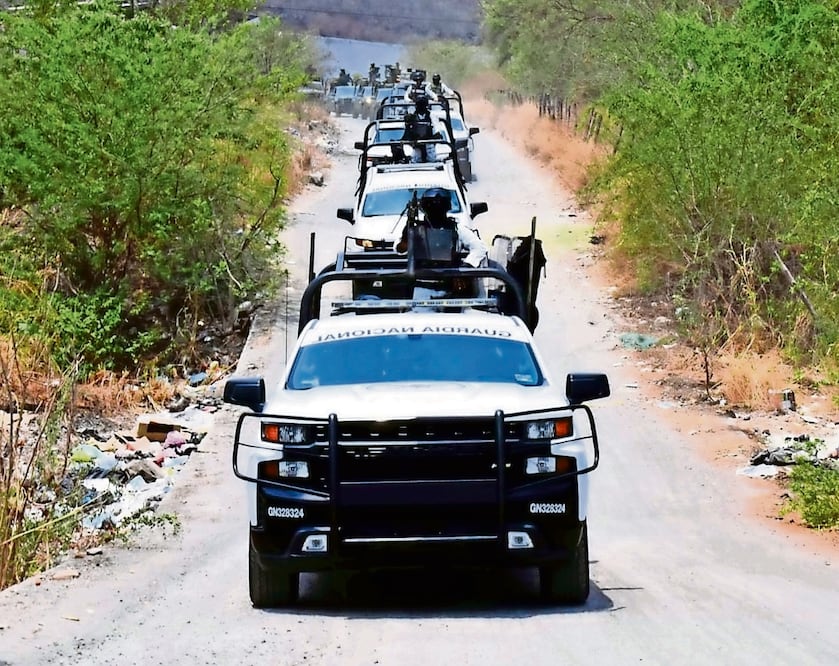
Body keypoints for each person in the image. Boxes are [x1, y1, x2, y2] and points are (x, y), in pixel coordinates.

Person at [401, 95, 437, 162]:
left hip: (429, 149)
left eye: (422, 105)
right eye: (419, 105)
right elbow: (406, 135)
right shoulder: (412, 117)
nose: (420, 107)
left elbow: (437, 133)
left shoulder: (432, 116)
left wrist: (428, 138)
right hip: (416, 149)